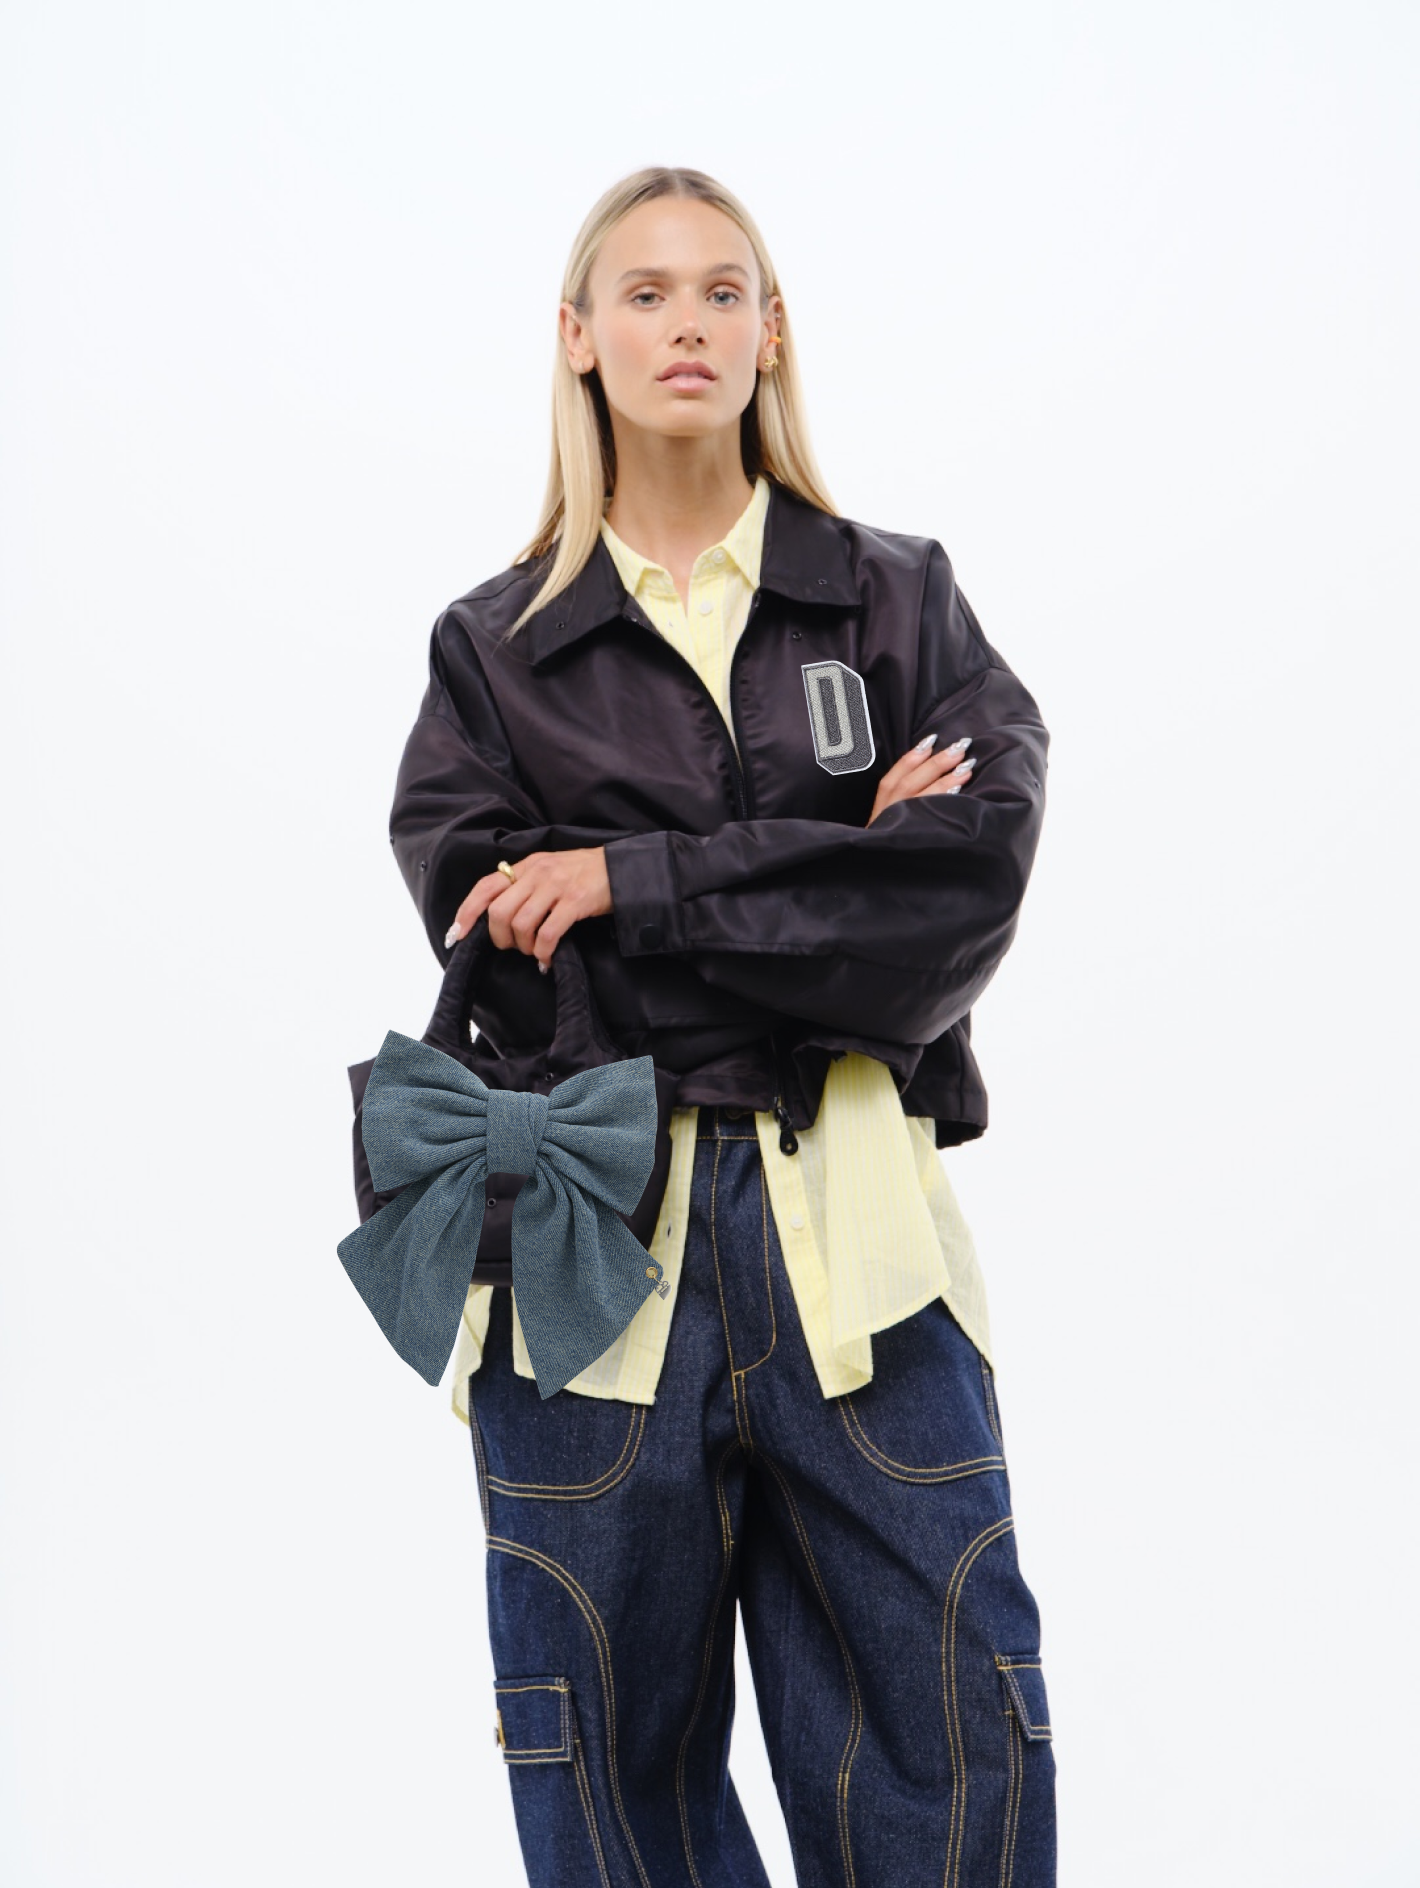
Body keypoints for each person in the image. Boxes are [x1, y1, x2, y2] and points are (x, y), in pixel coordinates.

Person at [386, 165, 1056, 1886]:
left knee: (955, 1769)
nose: (687, 324)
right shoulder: (490, 652)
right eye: (646, 292)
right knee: (612, 1792)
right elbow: (509, 965)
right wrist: (835, 862)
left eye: (723, 290)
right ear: (578, 336)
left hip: (858, 1252)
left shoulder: (899, 601)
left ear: (772, 335)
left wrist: (629, 881)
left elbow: (947, 913)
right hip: (586, 1254)